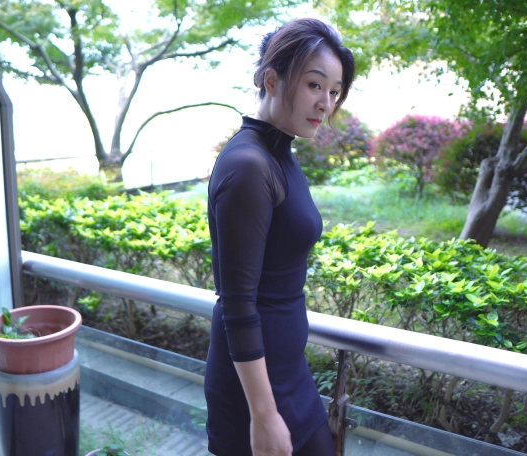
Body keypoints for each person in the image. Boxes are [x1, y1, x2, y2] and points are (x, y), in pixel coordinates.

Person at [204, 17, 356, 456]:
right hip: (255, 393)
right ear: (272, 80)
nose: (325, 103)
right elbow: (237, 303)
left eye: (334, 91)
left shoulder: (278, 153)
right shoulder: (249, 165)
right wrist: (264, 415)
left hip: (288, 375)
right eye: (314, 85)